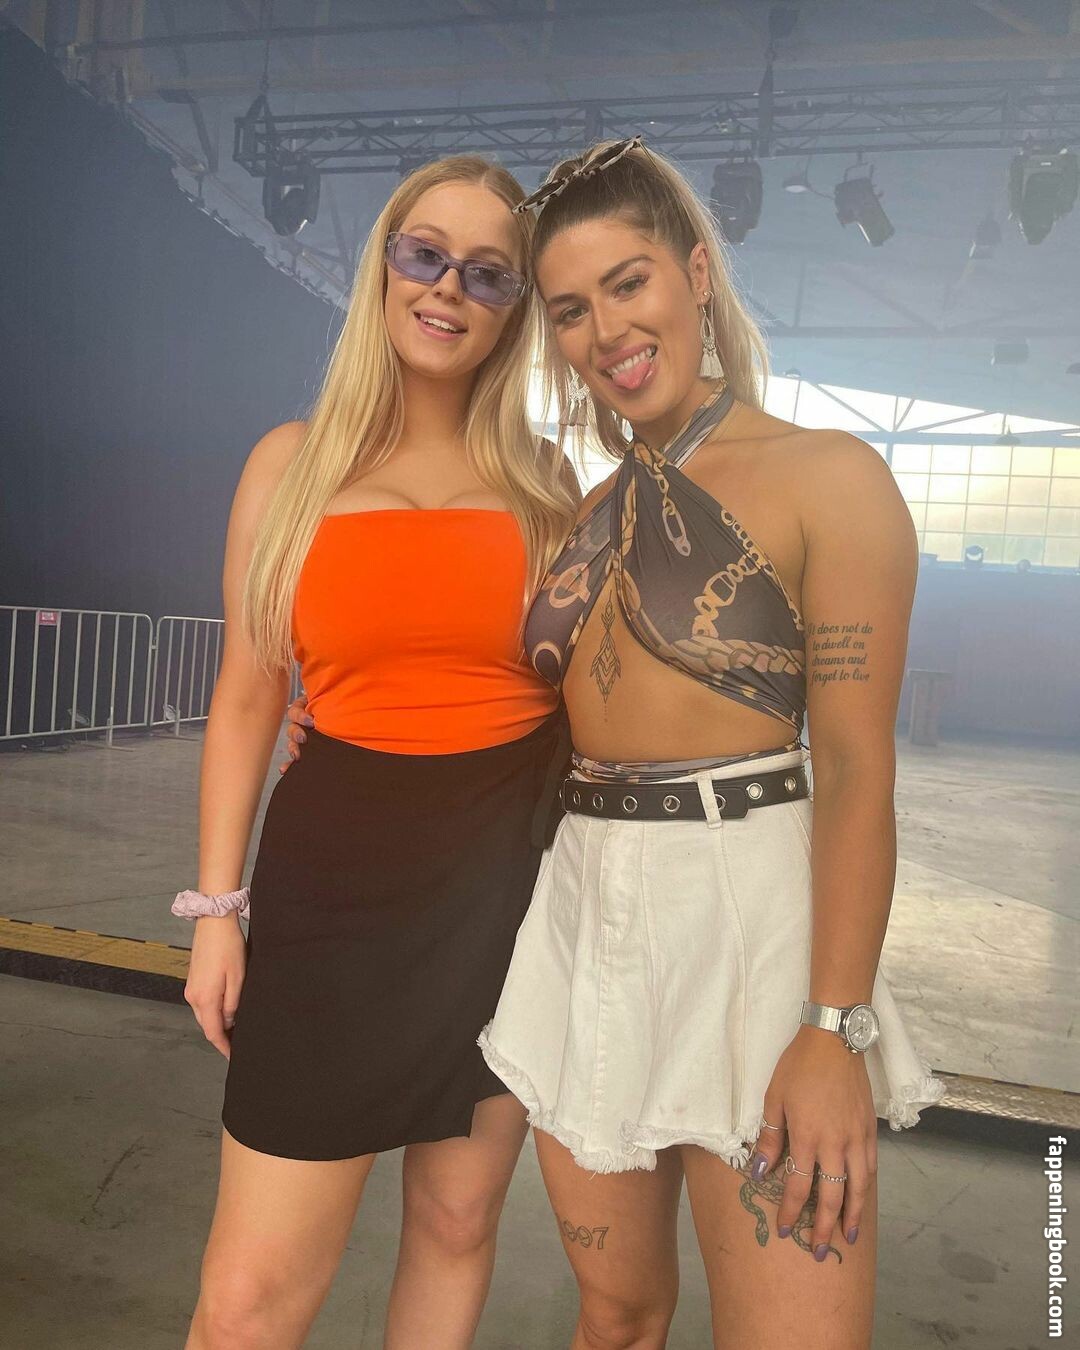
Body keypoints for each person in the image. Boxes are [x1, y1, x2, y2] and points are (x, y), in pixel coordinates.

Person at [476, 137, 945, 1349]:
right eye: (570, 310)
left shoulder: (830, 476)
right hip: (584, 912)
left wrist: (831, 1027)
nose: (606, 331)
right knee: (617, 1316)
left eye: (627, 283)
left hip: (755, 919)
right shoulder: (579, 507)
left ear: (694, 273)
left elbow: (856, 770)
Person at [173, 154, 579, 1350]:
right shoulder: (288, 464)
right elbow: (248, 695)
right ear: (384, 265)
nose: (449, 287)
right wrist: (216, 913)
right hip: (333, 892)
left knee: (456, 1225)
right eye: (425, 254)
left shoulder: (548, 481)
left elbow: (590, 696)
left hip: (504, 890)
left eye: (489, 273)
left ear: (514, 307)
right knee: (246, 1303)